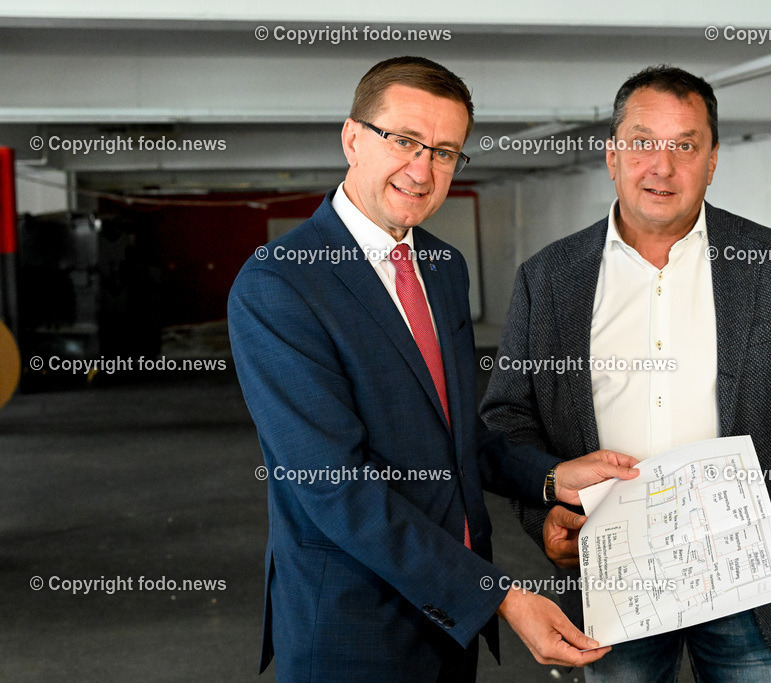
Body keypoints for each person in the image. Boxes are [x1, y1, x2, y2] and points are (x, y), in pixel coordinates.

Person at [227, 56, 638, 682]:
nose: (422, 170)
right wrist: (499, 597)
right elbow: (336, 485)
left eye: (445, 152)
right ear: (352, 138)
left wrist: (553, 477)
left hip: (447, 621)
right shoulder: (280, 282)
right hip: (350, 623)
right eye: (404, 141)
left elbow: (451, 437)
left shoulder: (443, 267)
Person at [480, 65, 771, 682]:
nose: (661, 166)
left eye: (684, 145)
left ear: (712, 160)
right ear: (612, 155)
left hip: (744, 574)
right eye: (642, 142)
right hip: (615, 567)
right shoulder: (549, 277)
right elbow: (507, 417)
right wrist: (543, 506)